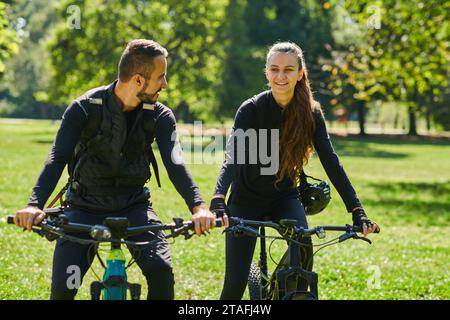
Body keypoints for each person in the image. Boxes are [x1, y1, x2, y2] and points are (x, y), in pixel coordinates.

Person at [13, 39, 218, 300]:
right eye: (161, 77)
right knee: (65, 286)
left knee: (161, 270)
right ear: (138, 80)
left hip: (134, 206)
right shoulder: (84, 108)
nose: (165, 84)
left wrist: (199, 207)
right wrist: (34, 204)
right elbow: (57, 158)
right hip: (83, 207)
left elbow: (175, 164)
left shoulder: (160, 116)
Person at [209, 41, 380, 300]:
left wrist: (357, 210)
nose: (281, 76)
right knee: (234, 287)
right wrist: (219, 197)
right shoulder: (251, 109)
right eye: (274, 69)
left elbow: (331, 161)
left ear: (300, 73)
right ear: (266, 72)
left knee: (302, 258)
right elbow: (233, 156)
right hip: (246, 199)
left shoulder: (311, 113)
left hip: (284, 198)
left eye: (288, 69)